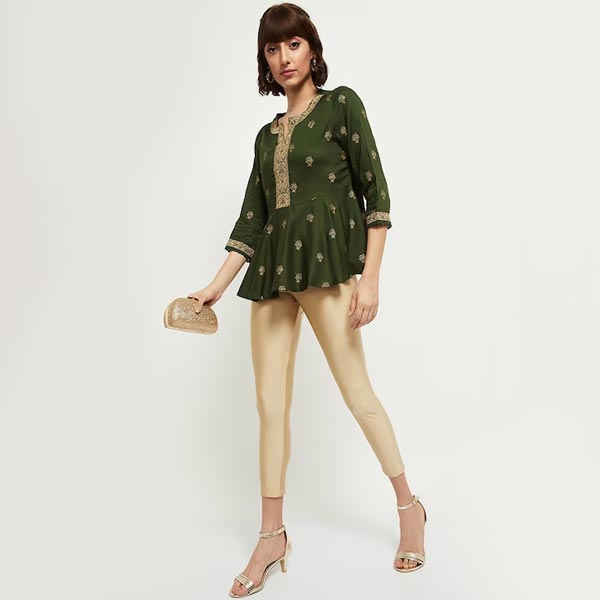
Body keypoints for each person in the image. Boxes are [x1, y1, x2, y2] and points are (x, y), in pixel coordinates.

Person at [187, 4, 427, 597]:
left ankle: (409, 508)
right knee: (270, 405)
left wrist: (370, 279)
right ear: (265, 61)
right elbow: (253, 219)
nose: (283, 57)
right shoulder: (265, 137)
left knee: (358, 396)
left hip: (329, 269)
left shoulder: (342, 104)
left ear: (311, 49)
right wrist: (215, 287)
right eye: (272, 49)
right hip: (272, 273)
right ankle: (272, 537)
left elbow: (376, 192)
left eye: (292, 44)